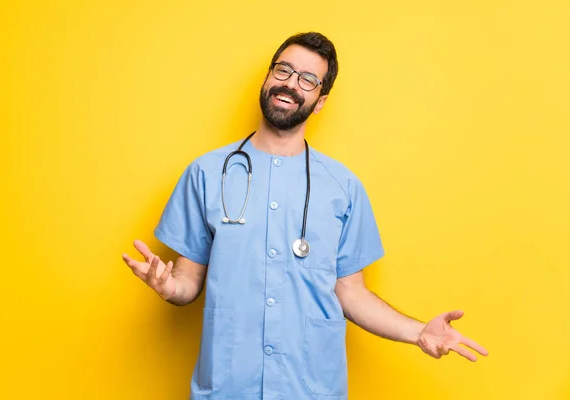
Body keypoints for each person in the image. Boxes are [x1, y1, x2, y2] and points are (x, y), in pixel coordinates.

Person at [122, 32, 488, 399]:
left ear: (320, 101)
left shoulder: (343, 187)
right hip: (229, 387)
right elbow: (188, 281)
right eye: (284, 70)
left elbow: (351, 293)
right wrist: (170, 288)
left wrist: (419, 331)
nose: (290, 84)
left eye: (307, 79)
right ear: (267, 78)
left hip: (310, 389)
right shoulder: (205, 173)